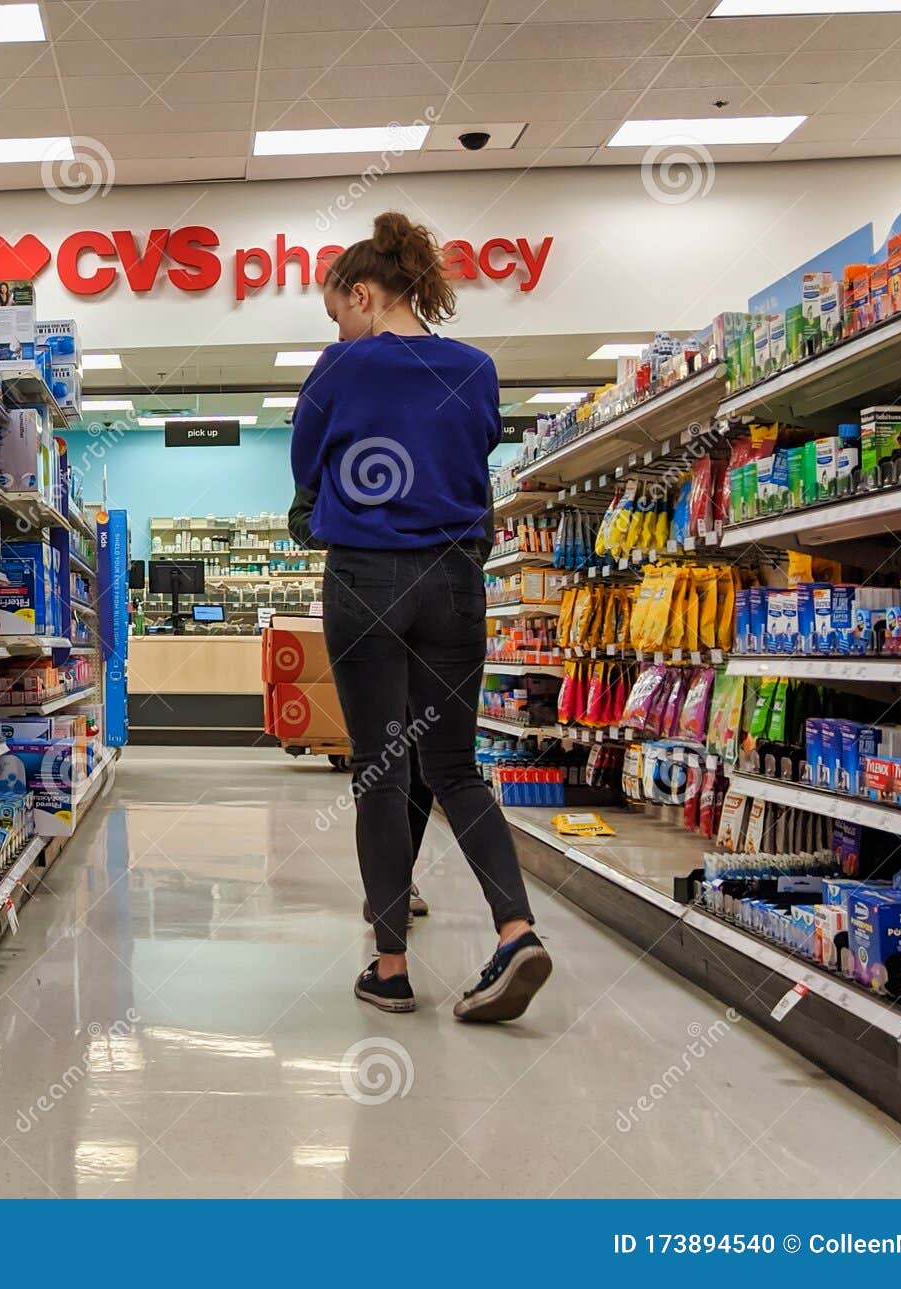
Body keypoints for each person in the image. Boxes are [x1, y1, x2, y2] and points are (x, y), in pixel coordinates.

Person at [290, 211, 551, 1021]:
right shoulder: (475, 369)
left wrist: (325, 508)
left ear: (363, 294)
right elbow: (475, 466)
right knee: (453, 766)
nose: (337, 327)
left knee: (380, 767)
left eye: (337, 311)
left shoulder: (341, 369)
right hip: (455, 578)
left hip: (367, 577)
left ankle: (393, 966)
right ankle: (515, 930)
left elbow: (307, 465)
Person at [290, 484, 430, 921]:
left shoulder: (429, 441)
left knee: (423, 762)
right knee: (384, 761)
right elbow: (301, 523)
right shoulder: (339, 447)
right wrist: (352, 530)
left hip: (433, 608)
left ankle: (399, 876)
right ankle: (387, 889)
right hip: (364, 606)